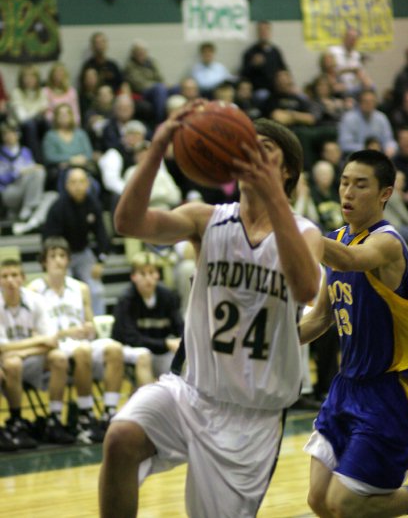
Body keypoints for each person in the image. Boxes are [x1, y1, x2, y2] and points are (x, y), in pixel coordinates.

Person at [99, 106, 322, 518]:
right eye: (245, 146)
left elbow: (307, 287)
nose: (249, 153)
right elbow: (128, 222)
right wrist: (159, 145)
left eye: (264, 149)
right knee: (121, 438)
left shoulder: (306, 232)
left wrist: (273, 197)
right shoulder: (206, 219)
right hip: (191, 394)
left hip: (252, 419)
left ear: (287, 172)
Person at [299, 148, 408, 518]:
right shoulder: (336, 241)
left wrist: (295, 233)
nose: (348, 192)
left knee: (346, 503)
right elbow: (320, 318)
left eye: (360, 185)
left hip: (387, 393)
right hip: (345, 388)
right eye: (344, 183)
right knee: (319, 501)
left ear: (385, 193)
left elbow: (352, 260)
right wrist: (271, 341)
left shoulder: (387, 242)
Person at [28, 238, 125, 441]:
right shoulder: (34, 290)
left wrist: (89, 329)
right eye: (52, 256)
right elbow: (33, 332)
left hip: (80, 344)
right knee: (83, 351)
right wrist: (66, 333)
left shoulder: (80, 288)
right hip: (53, 347)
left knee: (115, 349)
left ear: (69, 260)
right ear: (44, 261)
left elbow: (91, 325)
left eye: (62, 256)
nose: (58, 261)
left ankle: (109, 412)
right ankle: (85, 414)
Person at [0, 258, 74, 448]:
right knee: (12, 363)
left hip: (31, 358)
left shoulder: (37, 301)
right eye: (5, 276)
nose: (10, 280)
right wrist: (36, 341)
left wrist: (23, 351)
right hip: (5, 362)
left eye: (14, 275)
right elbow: (2, 348)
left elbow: (51, 341)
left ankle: (54, 419)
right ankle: (16, 420)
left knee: (58, 357)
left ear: (23, 278)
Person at [42, 167, 109, 315]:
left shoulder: (94, 204)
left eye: (81, 182)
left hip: (83, 252)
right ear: (66, 186)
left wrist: (100, 261)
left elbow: (102, 234)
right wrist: (57, 260)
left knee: (96, 290)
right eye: (73, 182)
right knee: (67, 290)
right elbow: (49, 238)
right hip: (61, 254)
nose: (78, 186)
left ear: (88, 184)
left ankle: (97, 326)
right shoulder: (58, 207)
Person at [112, 251, 184, 384]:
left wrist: (181, 342)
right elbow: (130, 338)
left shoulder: (168, 296)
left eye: (151, 273)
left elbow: (180, 326)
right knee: (143, 355)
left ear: (157, 275)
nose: (148, 278)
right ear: (133, 277)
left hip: (161, 351)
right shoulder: (126, 300)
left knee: (184, 355)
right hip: (132, 351)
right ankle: (149, 400)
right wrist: (165, 343)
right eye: (143, 274)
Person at [338, 88, 397, 157]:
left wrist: (390, 147)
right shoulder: (349, 118)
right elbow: (344, 145)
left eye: (372, 101)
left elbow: (389, 140)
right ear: (360, 103)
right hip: (356, 157)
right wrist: (366, 148)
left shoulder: (381, 118)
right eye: (366, 101)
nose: (369, 104)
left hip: (379, 157)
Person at [240, 20, 288, 97]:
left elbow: (284, 69)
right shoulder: (250, 52)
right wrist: (253, 65)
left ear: (270, 32)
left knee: (299, 96)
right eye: (261, 30)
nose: (264, 32)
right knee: (263, 95)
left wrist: (290, 84)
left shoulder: (275, 51)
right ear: (257, 33)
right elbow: (243, 75)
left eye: (266, 30)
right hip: (259, 89)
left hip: (276, 89)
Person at [328, 28, 374, 98]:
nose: (352, 41)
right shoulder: (333, 52)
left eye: (354, 39)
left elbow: (359, 73)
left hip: (354, 87)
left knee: (371, 87)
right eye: (350, 38)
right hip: (339, 85)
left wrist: (366, 81)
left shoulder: (357, 55)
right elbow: (330, 72)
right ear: (344, 38)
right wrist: (350, 70)